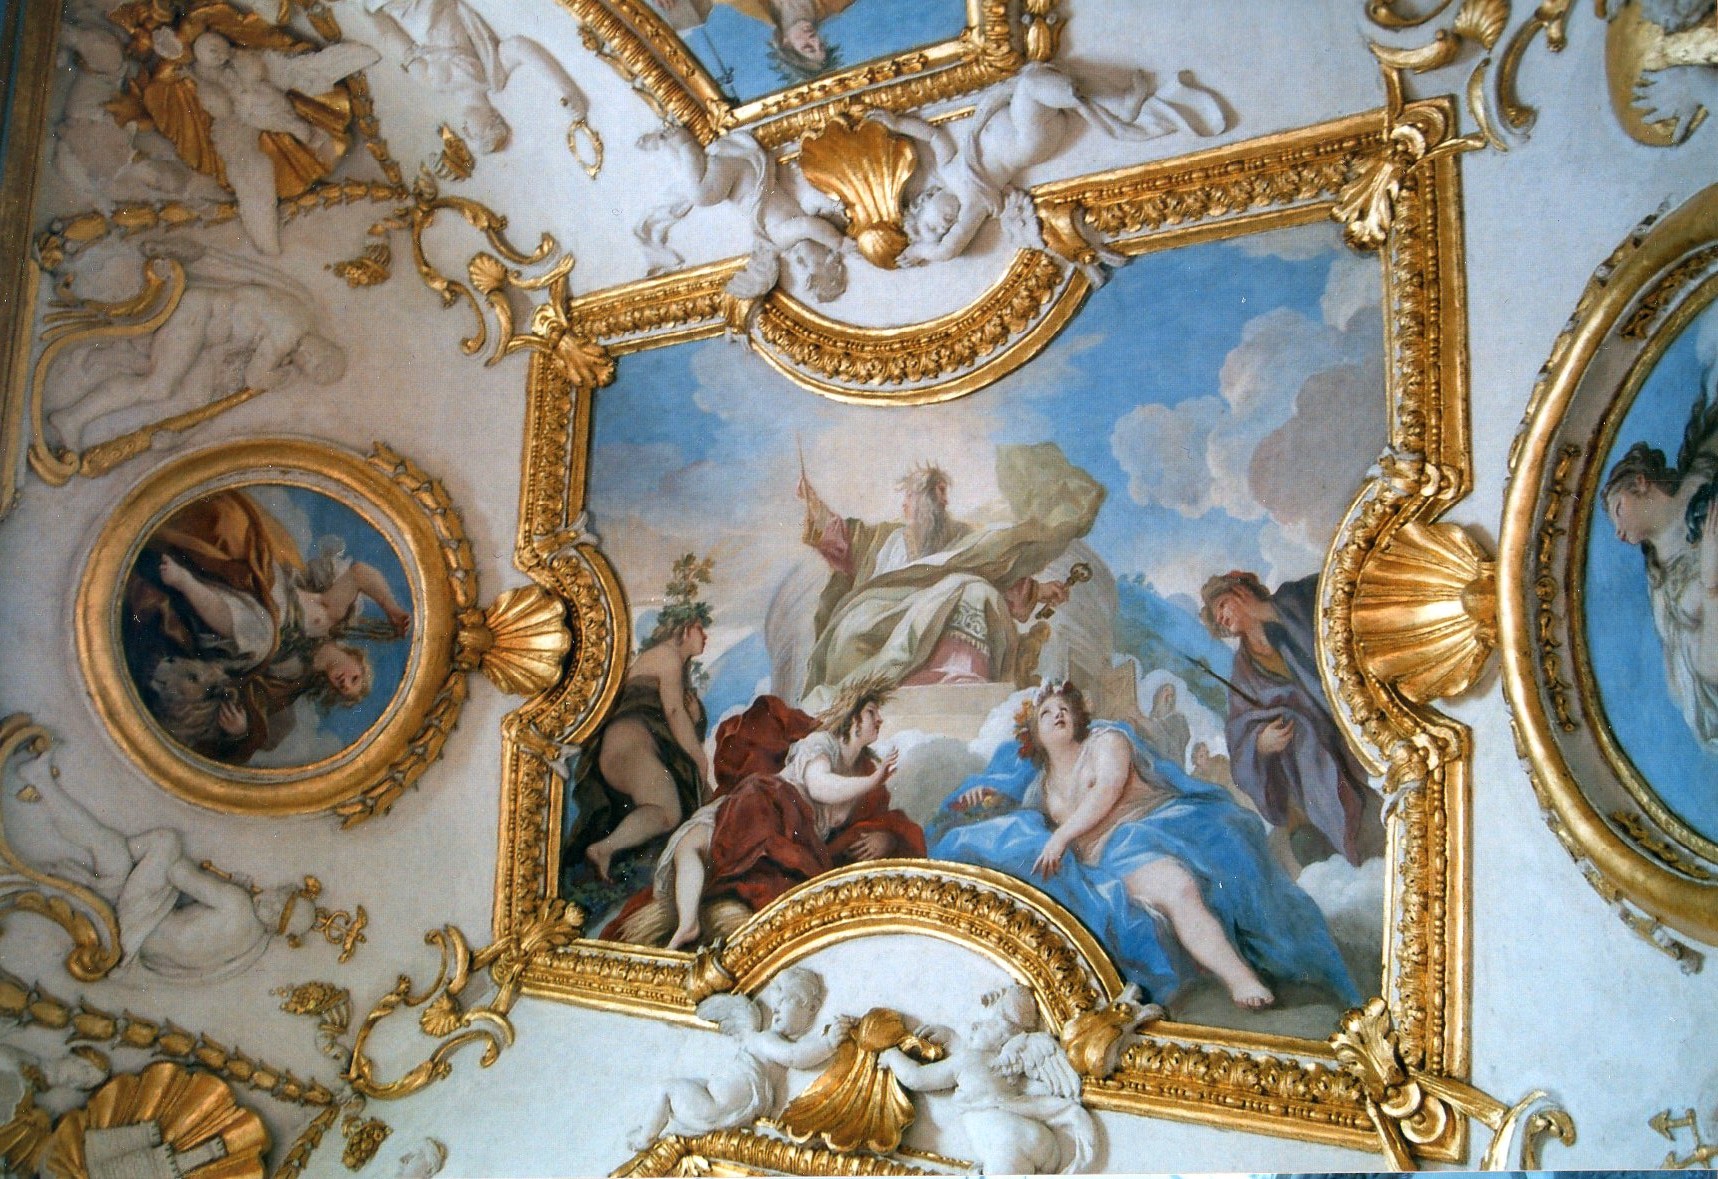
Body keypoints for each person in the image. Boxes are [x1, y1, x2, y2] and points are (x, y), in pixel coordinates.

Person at [930, 682, 1358, 1009]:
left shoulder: (1107, 741)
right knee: (1142, 897)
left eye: (1063, 708)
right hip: (1107, 860)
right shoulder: (1040, 788)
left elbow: (1107, 790)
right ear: (1034, 736)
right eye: (1046, 713)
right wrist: (988, 799)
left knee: (1178, 886)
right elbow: (1027, 827)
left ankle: (1240, 978)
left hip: (1154, 827)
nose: (1058, 714)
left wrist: (1061, 837)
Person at [602, 679, 925, 947]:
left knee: (701, 848)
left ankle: (690, 922)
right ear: (853, 716)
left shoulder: (862, 771)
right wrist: (872, 780)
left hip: (785, 829)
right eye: (871, 712)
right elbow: (819, 786)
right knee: (690, 844)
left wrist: (884, 836)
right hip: (767, 806)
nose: (878, 720)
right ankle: (688, 923)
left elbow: (870, 824)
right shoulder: (822, 743)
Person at [783, 443, 1102, 709]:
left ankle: (959, 681)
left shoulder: (963, 539)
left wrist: (1038, 591)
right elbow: (838, 536)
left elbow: (996, 567)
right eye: (932, 492)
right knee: (961, 588)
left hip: (934, 617)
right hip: (873, 625)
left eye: (942, 492)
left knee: (974, 589)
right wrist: (813, 503)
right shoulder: (880, 539)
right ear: (911, 501)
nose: (943, 500)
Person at [122, 490, 407, 763]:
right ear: (357, 660)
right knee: (231, 532)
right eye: (354, 679)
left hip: (235, 635)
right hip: (268, 589)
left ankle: (184, 582)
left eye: (343, 688)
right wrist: (391, 609)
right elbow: (359, 574)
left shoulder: (297, 681)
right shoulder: (332, 617)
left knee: (262, 638)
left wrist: (243, 728)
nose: (344, 682)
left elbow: (261, 709)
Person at [8, 739, 315, 980]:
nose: (269, 906)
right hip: (143, 938)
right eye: (280, 901)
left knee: (161, 843)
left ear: (277, 929)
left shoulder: (239, 904)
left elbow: (178, 874)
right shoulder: (249, 945)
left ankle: (44, 785)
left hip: (142, 923)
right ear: (281, 891)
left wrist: (227, 884)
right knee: (116, 855)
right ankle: (49, 793)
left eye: (278, 915)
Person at [1199, 571, 1383, 868]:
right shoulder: (1243, 671)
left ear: (1240, 592)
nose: (1220, 618)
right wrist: (1260, 744)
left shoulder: (1295, 600)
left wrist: (1272, 612)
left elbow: (1342, 603)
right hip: (1315, 764)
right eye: (1216, 617)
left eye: (1221, 605)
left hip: (1360, 726)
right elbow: (1239, 734)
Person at [1603, 381, 1718, 748]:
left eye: (1618, 510)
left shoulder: (1702, 473)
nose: (1619, 531)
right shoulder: (1665, 587)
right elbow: (1704, 676)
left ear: (1640, 484)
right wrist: (1711, 583)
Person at [564, 604, 712, 884]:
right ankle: (602, 850)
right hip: (629, 746)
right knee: (668, 811)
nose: (705, 635)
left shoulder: (670, 665)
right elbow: (673, 713)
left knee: (687, 806)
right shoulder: (667, 656)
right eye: (699, 628)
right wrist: (699, 757)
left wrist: (694, 721)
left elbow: (672, 721)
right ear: (684, 629)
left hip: (629, 749)